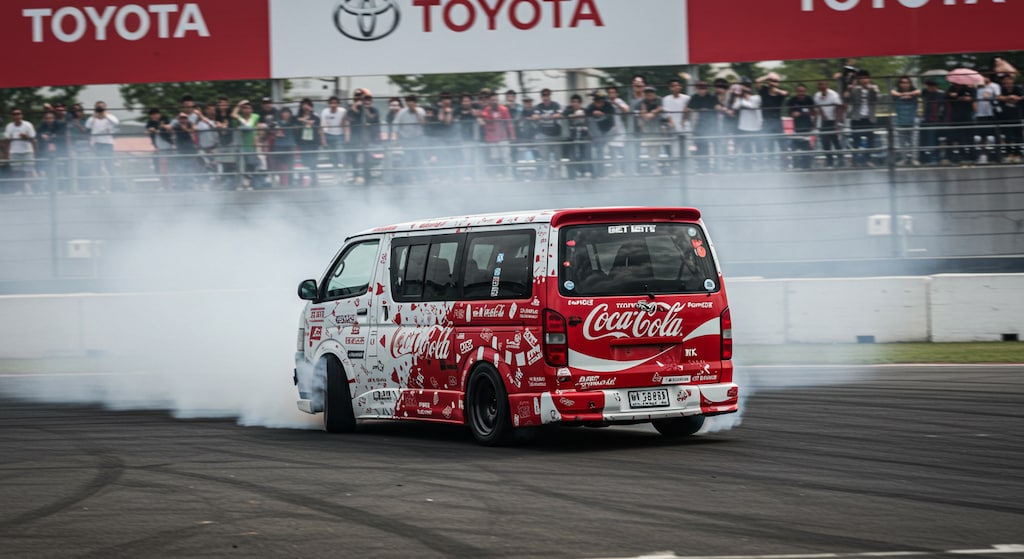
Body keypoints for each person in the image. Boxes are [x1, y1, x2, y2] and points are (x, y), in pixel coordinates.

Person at [843, 70, 880, 167]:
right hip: (857, 117)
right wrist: (849, 89)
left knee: (870, 140)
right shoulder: (855, 89)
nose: (863, 80)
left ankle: (868, 160)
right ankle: (855, 161)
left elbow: (876, 97)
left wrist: (870, 89)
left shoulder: (873, 88)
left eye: (865, 78)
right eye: (861, 78)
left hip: (869, 118)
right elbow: (846, 98)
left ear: (869, 78)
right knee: (856, 140)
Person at [347, 91, 382, 184]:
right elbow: (351, 120)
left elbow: (372, 119)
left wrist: (364, 109)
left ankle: (368, 176)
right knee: (355, 158)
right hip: (356, 137)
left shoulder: (374, 110)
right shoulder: (353, 108)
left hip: (370, 138)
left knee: (368, 157)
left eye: (369, 100)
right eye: (365, 100)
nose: (367, 102)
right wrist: (355, 108)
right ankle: (356, 177)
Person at [84, 101, 119, 193]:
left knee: (109, 165)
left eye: (101, 107)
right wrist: (94, 116)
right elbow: (87, 126)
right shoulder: (92, 119)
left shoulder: (110, 117)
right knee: (97, 166)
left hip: (108, 144)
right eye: (98, 107)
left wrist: (105, 114)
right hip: (97, 144)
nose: (100, 109)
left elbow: (116, 122)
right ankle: (99, 187)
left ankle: (112, 187)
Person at [478, 92, 515, 178]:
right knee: (495, 158)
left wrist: (513, 136)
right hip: (491, 139)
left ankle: (509, 176)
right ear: (489, 101)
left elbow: (509, 123)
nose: (494, 102)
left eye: (495, 100)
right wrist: (480, 119)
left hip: (503, 138)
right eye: (492, 100)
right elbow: (484, 121)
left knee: (506, 158)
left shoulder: (504, 109)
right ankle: (498, 175)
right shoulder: (486, 110)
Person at [756, 72, 789, 168]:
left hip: (776, 121)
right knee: (769, 144)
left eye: (775, 81)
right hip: (766, 121)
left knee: (782, 143)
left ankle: (784, 165)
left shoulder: (780, 94)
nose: (772, 82)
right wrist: (767, 76)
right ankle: (770, 166)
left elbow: (786, 93)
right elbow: (757, 82)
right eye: (771, 81)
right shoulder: (764, 90)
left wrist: (775, 89)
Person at [688, 80, 721, 173]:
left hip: (712, 125)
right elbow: (689, 109)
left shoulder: (712, 97)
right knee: (701, 147)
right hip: (699, 126)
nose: (702, 90)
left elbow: (718, 107)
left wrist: (719, 108)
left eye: (704, 88)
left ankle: (716, 166)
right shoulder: (694, 97)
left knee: (715, 146)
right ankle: (702, 166)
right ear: (696, 89)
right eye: (700, 88)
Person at [3, 108, 37, 195]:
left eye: (18, 114)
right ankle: (19, 189)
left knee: (28, 171)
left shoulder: (28, 125)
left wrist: (26, 137)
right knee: (16, 171)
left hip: (27, 151)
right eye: (14, 114)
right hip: (14, 152)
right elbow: (7, 140)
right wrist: (6, 153)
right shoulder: (9, 126)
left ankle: (29, 188)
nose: (17, 116)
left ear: (22, 115)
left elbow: (33, 139)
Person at [394, 95, 426, 183]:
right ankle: (407, 178)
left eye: (412, 101)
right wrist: (396, 140)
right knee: (407, 158)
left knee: (419, 158)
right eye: (408, 101)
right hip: (406, 139)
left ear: (415, 103)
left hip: (418, 139)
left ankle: (421, 178)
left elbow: (423, 123)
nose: (410, 103)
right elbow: (396, 126)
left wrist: (416, 112)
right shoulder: (401, 112)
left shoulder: (421, 111)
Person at [231, 100, 262, 190]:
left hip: (251, 145)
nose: (247, 110)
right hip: (241, 146)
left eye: (248, 108)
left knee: (251, 165)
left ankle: (250, 184)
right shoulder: (239, 117)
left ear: (251, 109)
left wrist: (257, 138)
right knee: (241, 166)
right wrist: (238, 105)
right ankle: (240, 185)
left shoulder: (255, 116)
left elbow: (255, 127)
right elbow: (233, 115)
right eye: (244, 108)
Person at [633, 86, 665, 174]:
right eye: (647, 92)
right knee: (650, 147)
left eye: (651, 92)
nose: (649, 94)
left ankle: (656, 165)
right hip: (646, 127)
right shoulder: (641, 102)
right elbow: (641, 116)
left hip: (657, 125)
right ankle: (653, 166)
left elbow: (661, 108)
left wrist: (653, 112)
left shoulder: (658, 99)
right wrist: (646, 117)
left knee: (657, 147)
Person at [585, 90, 616, 178]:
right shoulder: (590, 108)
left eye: (601, 101)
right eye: (597, 101)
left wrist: (603, 114)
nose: (599, 103)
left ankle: (604, 172)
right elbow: (588, 121)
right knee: (595, 153)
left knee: (603, 152)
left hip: (608, 133)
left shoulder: (609, 107)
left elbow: (612, 123)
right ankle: (595, 172)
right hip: (595, 136)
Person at [890, 76, 921, 166]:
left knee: (914, 142)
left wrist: (909, 94)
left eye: (907, 82)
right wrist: (902, 95)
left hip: (912, 120)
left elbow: (919, 91)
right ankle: (904, 159)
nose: (905, 84)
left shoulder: (914, 92)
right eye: (902, 82)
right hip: (900, 121)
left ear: (910, 84)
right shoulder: (896, 93)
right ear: (899, 84)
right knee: (901, 142)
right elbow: (892, 92)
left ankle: (914, 159)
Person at [533, 88, 563, 179]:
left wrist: (546, 116)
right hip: (543, 134)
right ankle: (546, 173)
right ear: (541, 97)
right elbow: (535, 116)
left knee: (557, 155)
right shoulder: (538, 106)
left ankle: (558, 173)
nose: (545, 97)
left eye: (547, 95)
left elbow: (559, 115)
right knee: (544, 155)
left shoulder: (555, 105)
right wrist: (545, 116)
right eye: (544, 95)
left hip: (555, 133)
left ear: (550, 96)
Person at [732, 80, 762, 169]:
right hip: (744, 127)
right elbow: (734, 106)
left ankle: (761, 166)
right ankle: (747, 166)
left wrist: (743, 100)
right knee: (746, 148)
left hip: (756, 127)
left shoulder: (756, 97)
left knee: (759, 148)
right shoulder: (740, 99)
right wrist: (739, 97)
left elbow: (753, 106)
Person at [662, 78, 691, 172]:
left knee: (686, 147)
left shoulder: (686, 98)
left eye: (677, 85)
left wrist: (683, 121)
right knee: (675, 148)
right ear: (670, 88)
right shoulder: (666, 99)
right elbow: (666, 112)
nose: (676, 87)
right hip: (673, 126)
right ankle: (676, 168)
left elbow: (688, 111)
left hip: (685, 125)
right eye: (673, 86)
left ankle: (687, 168)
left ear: (681, 87)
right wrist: (671, 122)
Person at [785, 84, 816, 170]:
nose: (801, 93)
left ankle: (807, 166)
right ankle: (796, 165)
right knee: (794, 147)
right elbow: (789, 113)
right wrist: (793, 114)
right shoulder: (792, 100)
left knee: (806, 147)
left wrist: (803, 113)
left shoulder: (809, 99)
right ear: (796, 92)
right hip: (796, 128)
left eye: (803, 91)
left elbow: (814, 112)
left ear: (805, 91)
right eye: (799, 91)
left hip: (807, 128)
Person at [946, 80, 976, 165]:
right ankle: (961, 156)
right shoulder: (951, 89)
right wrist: (951, 95)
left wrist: (961, 98)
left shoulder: (969, 89)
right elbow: (946, 96)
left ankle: (973, 156)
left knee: (969, 138)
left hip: (967, 117)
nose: (957, 85)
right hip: (955, 117)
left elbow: (972, 98)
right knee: (958, 138)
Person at [919, 79, 949, 165]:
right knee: (930, 140)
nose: (930, 88)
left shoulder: (941, 94)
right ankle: (932, 158)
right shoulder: (925, 93)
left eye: (932, 86)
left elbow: (944, 107)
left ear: (936, 86)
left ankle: (937, 157)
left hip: (939, 119)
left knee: (937, 140)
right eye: (929, 86)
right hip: (928, 120)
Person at [975, 70, 1001, 164]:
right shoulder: (977, 88)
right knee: (983, 135)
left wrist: (990, 97)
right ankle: (983, 154)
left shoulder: (994, 86)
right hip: (980, 114)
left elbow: (998, 97)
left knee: (995, 134)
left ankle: (997, 155)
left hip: (991, 113)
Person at [36, 109, 66, 191]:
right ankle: (45, 188)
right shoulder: (42, 126)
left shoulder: (59, 125)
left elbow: (62, 137)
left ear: (54, 118)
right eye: (47, 118)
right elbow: (37, 135)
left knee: (59, 170)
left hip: (58, 151)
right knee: (45, 170)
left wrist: (52, 140)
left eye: (51, 118)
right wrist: (42, 136)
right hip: (44, 152)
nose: (49, 120)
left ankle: (61, 188)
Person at [562, 94, 591, 178]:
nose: (575, 104)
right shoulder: (568, 110)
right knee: (572, 155)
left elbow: (589, 118)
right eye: (573, 102)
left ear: (580, 103)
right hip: (572, 137)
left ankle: (584, 170)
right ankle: (573, 173)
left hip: (583, 136)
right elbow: (564, 115)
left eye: (577, 102)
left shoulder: (585, 111)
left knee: (584, 154)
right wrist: (574, 115)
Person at [144, 108, 174, 190]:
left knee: (168, 167)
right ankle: (164, 185)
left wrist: (158, 129)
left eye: (155, 114)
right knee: (160, 168)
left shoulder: (165, 119)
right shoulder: (150, 123)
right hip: (158, 148)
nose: (154, 116)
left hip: (168, 147)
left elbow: (169, 130)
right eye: (152, 114)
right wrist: (151, 130)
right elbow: (147, 131)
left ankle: (170, 185)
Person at [996, 73, 1023, 164]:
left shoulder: (1018, 88)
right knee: (1008, 136)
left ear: (1012, 81)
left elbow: (1021, 96)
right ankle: (1009, 154)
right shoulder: (1001, 89)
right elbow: (998, 97)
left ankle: (1018, 154)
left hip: (1017, 115)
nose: (1007, 82)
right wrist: (1008, 97)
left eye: (1008, 80)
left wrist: (1016, 98)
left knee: (1018, 136)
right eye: (1005, 80)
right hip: (1005, 116)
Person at [295, 98, 321, 185]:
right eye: (304, 104)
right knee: (303, 160)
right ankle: (302, 179)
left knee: (313, 161)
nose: (305, 107)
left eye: (308, 105)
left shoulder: (315, 116)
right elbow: (296, 124)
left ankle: (313, 179)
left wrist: (307, 118)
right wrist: (304, 120)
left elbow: (317, 124)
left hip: (313, 142)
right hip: (303, 142)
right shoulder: (298, 116)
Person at [270, 107, 298, 187]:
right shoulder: (278, 122)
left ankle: (290, 182)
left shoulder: (293, 122)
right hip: (279, 145)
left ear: (290, 114)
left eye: (288, 112)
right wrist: (275, 127)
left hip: (290, 145)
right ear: (281, 114)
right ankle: (279, 182)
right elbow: (271, 125)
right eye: (284, 113)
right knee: (278, 165)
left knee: (290, 165)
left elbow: (298, 126)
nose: (286, 114)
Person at [171, 111, 199, 189]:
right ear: (178, 119)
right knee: (181, 168)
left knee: (190, 167)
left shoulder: (190, 124)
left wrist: (186, 129)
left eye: (184, 118)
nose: (183, 120)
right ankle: (182, 184)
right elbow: (170, 128)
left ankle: (190, 184)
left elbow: (194, 129)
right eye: (181, 118)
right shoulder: (176, 125)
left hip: (190, 149)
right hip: (180, 150)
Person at [320, 96, 348, 173]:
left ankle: (344, 172)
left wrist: (346, 136)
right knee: (332, 156)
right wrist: (323, 140)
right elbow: (322, 126)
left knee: (341, 155)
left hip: (340, 135)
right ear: (328, 104)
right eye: (331, 103)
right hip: (329, 135)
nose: (333, 105)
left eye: (335, 103)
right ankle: (336, 173)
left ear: (338, 104)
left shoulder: (343, 111)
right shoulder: (325, 112)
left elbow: (345, 124)